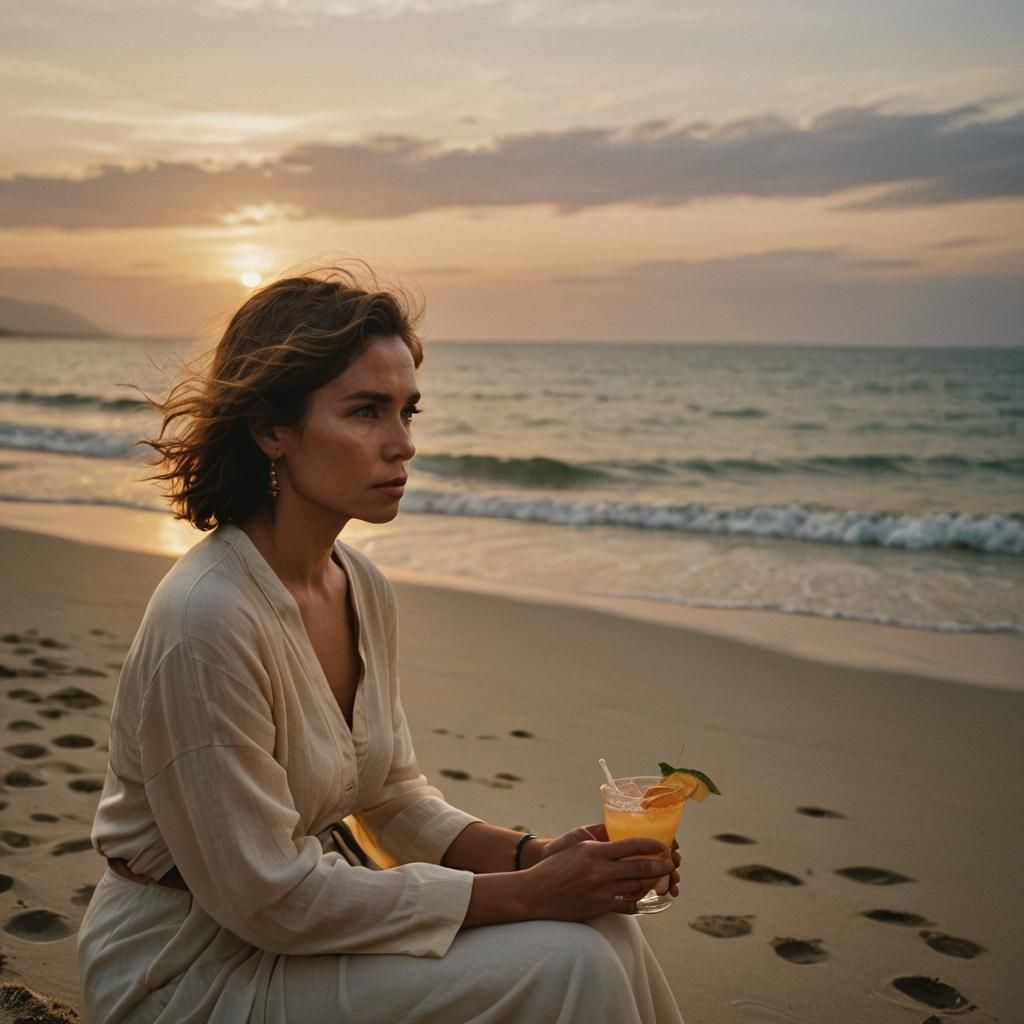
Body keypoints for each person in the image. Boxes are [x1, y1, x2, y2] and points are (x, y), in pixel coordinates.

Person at [78, 269, 685, 1023]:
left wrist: (541, 857)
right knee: (570, 961)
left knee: (603, 926)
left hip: (300, 937)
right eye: (366, 412)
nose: (404, 445)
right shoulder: (209, 619)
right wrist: (525, 895)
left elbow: (391, 800)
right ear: (272, 428)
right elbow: (268, 899)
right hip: (185, 971)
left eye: (407, 410)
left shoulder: (359, 585)